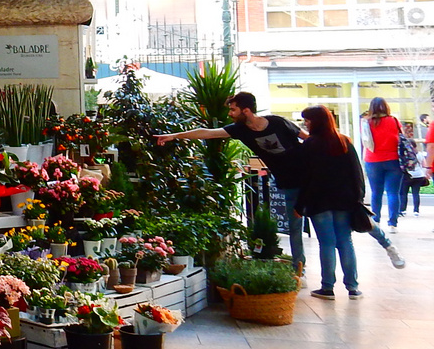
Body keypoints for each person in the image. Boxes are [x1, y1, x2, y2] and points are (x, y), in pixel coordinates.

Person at [156, 92, 307, 276]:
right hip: (288, 183)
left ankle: (334, 282)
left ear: (246, 110)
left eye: (233, 109)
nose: (230, 113)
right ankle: (299, 267)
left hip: (309, 178)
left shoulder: (277, 122)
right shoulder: (240, 129)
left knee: (322, 228)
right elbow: (208, 133)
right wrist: (175, 135)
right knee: (295, 226)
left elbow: (308, 138)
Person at [295, 105, 365, 299]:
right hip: (344, 201)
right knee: (345, 242)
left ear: (316, 122)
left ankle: (328, 287)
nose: (306, 124)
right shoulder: (343, 142)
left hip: (319, 202)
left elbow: (306, 178)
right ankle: (353, 287)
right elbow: (356, 173)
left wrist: (299, 206)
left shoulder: (311, 145)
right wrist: (358, 198)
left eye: (308, 120)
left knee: (326, 243)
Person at [362, 97, 404, 231]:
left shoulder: (365, 122)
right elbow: (400, 137)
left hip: (373, 160)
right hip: (393, 159)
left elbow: (365, 141)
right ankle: (393, 224)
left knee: (376, 192)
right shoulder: (394, 121)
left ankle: (376, 220)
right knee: (393, 193)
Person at [402, 120, 425, 216]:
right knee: (416, 194)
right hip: (418, 176)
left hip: (407, 175)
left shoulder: (405, 155)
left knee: (404, 193)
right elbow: (423, 164)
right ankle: (416, 211)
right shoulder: (419, 154)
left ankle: (403, 210)